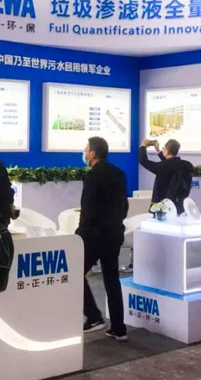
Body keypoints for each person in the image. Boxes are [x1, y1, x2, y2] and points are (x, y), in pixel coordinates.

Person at [77, 137, 129, 341]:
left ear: (93, 153)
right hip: (114, 234)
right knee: (112, 279)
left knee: (75, 272)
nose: (84, 152)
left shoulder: (92, 176)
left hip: (95, 236)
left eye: (86, 149)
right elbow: (124, 205)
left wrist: (80, 234)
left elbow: (88, 209)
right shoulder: (118, 173)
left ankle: (93, 316)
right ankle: (119, 328)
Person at [138, 138, 194, 211]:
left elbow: (143, 161)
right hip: (180, 204)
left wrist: (143, 146)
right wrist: (158, 151)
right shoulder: (186, 165)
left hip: (163, 206)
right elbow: (170, 164)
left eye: (163, 148)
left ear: (167, 152)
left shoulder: (163, 167)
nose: (163, 150)